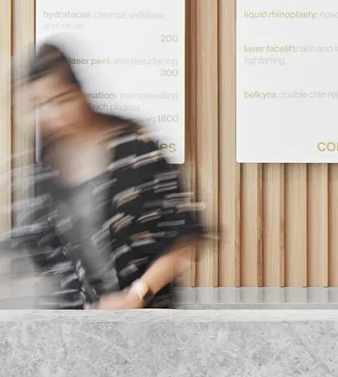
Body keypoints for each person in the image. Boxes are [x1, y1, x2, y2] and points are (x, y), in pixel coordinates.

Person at [11, 42, 205, 308]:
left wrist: (138, 295)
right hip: (69, 330)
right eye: (40, 105)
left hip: (144, 321)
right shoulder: (40, 172)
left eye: (62, 99)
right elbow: (35, 254)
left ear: (81, 93)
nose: (54, 114)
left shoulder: (136, 149)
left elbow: (184, 236)